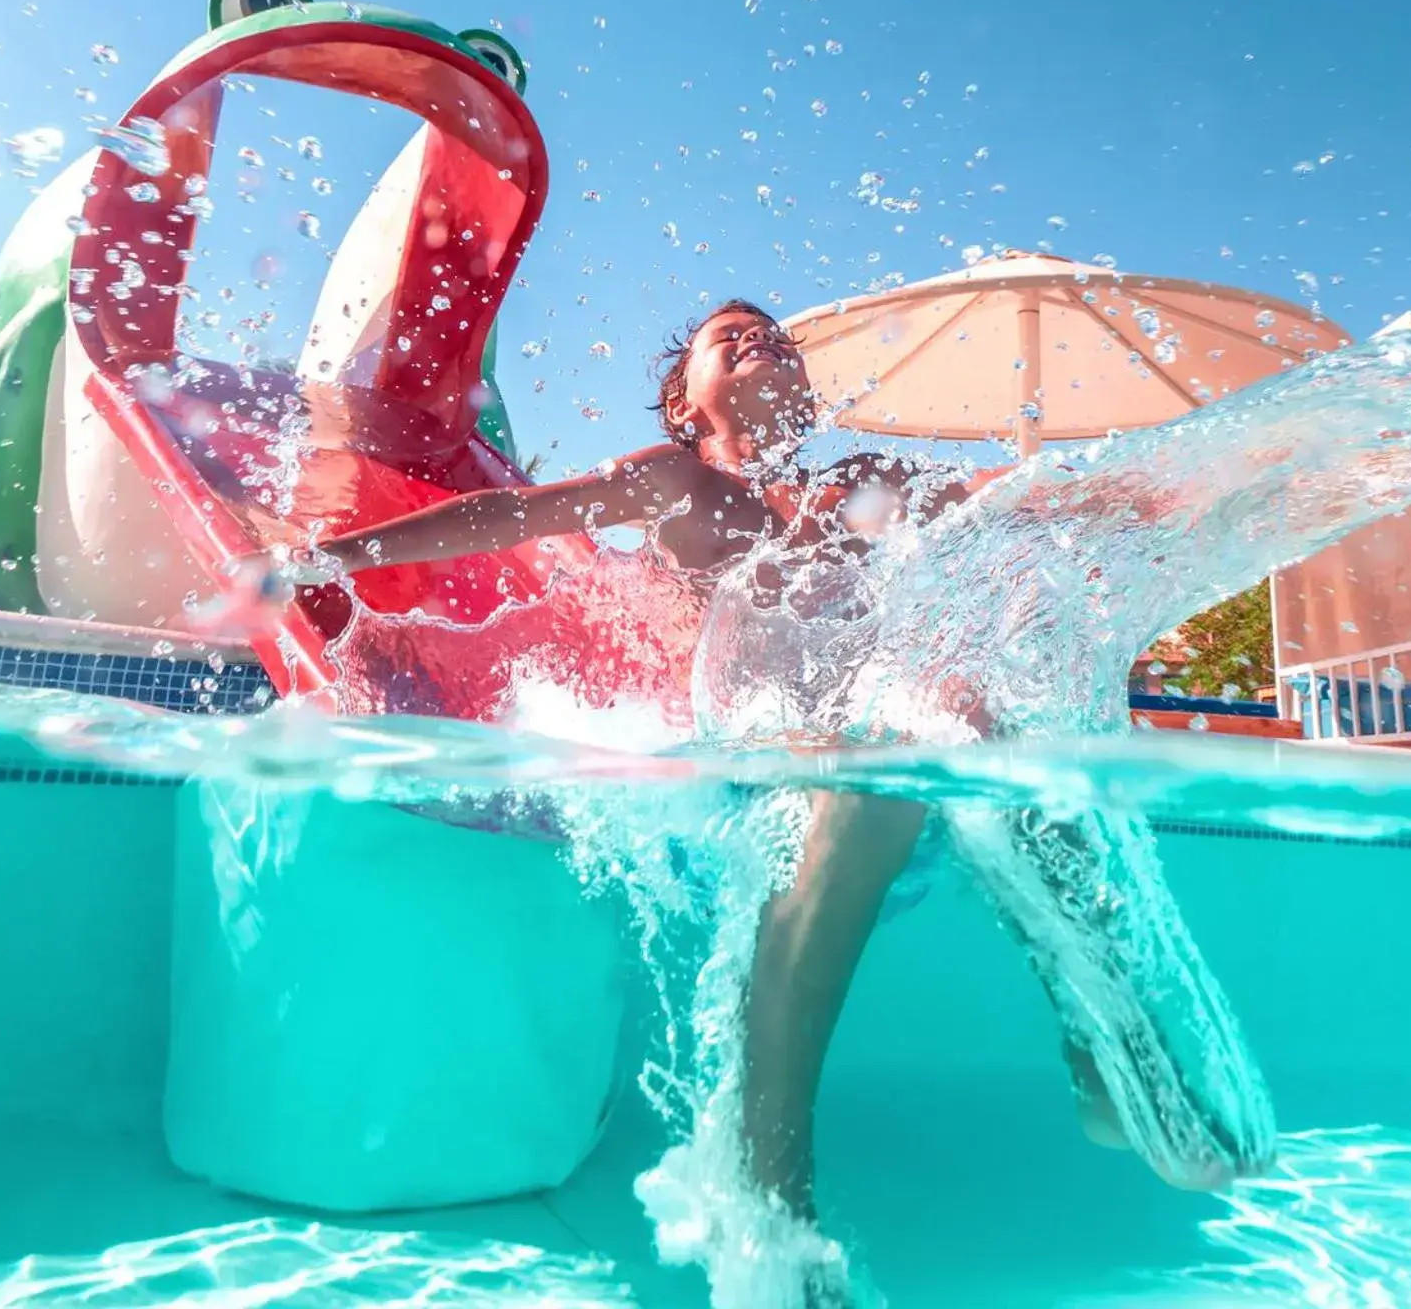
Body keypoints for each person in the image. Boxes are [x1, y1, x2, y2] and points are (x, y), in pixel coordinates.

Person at [305, 300, 1271, 1281]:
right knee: (883, 759)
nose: (761, 337)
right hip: (739, 800)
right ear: (686, 402)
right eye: (731, 336)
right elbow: (512, 516)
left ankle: (1105, 1052)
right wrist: (333, 556)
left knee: (982, 717)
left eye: (776, 334)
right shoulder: (679, 484)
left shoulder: (862, 486)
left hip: (888, 789)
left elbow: (1004, 498)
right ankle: (768, 1177)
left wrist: (1186, 493)